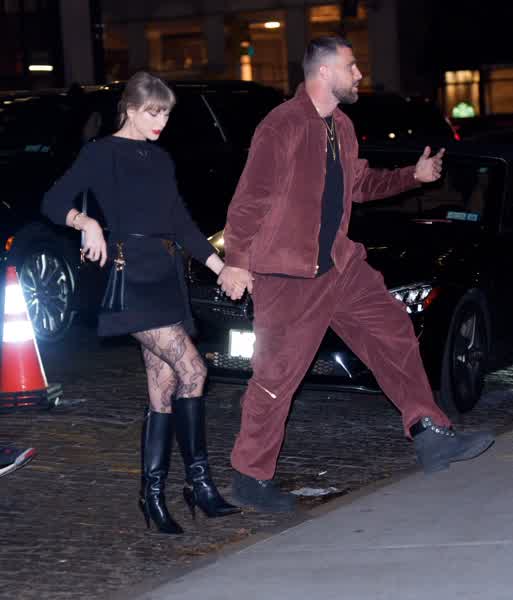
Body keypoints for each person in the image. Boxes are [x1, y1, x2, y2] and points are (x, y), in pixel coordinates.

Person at [217, 36, 494, 513]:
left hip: (340, 266)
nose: (360, 74)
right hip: (288, 273)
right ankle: (249, 476)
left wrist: (412, 176)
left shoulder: (341, 126)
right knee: (276, 375)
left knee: (393, 330)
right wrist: (237, 261)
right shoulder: (282, 125)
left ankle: (429, 432)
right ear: (324, 71)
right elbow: (249, 199)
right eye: (351, 66)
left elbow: (359, 183)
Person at [42, 72, 240, 534]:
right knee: (195, 370)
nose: (161, 122)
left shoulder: (160, 159)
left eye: (166, 114)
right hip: (130, 278)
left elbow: (181, 223)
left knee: (164, 383)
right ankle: (199, 484)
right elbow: (52, 202)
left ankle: (153, 496)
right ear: (130, 109)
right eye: (153, 112)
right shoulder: (101, 153)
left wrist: (220, 267)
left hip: (165, 277)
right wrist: (86, 222)